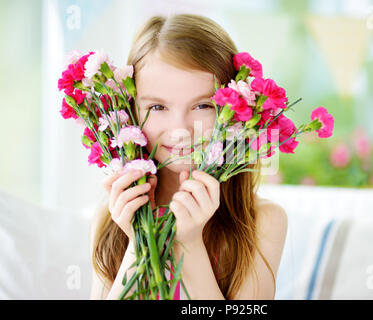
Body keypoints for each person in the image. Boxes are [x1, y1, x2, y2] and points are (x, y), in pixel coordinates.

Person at [89, 13, 287, 300]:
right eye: (157, 107)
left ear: (235, 111)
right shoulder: (111, 218)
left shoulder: (262, 221)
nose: (180, 130)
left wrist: (190, 243)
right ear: (130, 112)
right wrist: (138, 242)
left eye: (203, 106)